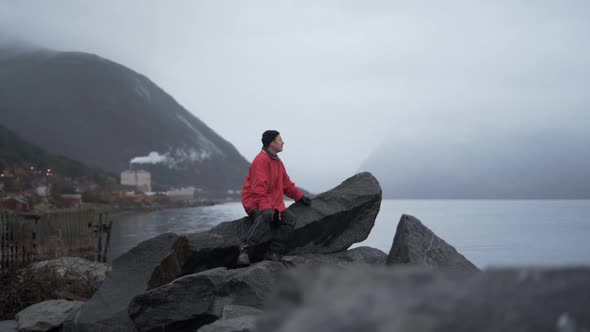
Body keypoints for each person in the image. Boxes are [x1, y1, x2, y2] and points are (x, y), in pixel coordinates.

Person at [237, 130, 311, 266]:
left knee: (290, 220)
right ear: (271, 143)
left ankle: (273, 253)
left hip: (273, 203)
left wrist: (299, 196)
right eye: (279, 139)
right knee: (264, 218)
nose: (283, 142)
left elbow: (287, 184)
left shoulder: (277, 161)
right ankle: (244, 249)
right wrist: (265, 208)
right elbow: (258, 189)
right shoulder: (260, 161)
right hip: (255, 201)